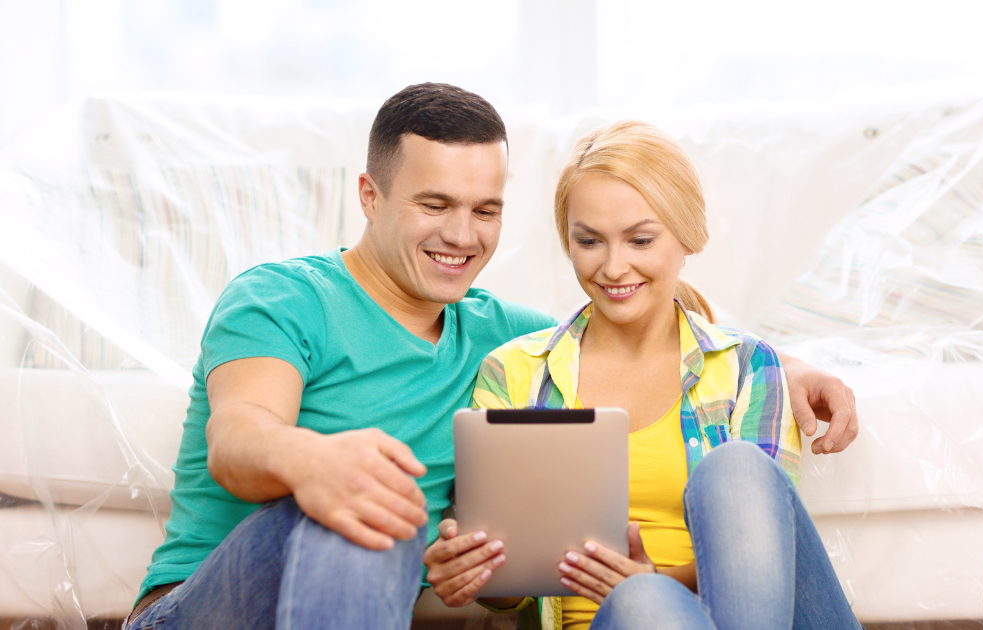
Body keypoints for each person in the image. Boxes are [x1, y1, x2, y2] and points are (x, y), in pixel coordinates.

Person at [123, 84, 858, 630]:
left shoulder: (497, 336)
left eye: (486, 209)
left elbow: (636, 317)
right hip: (204, 608)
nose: (462, 234)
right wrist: (319, 464)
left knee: (393, 519)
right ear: (370, 197)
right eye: (434, 204)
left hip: (362, 590)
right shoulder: (283, 297)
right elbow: (239, 437)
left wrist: (786, 368)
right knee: (377, 511)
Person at [423, 120, 860, 630]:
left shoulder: (749, 368)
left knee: (733, 472)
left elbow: (765, 562)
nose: (613, 267)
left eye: (640, 240)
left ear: (687, 236)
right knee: (641, 607)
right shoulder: (513, 371)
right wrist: (473, 574)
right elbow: (507, 596)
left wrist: (654, 578)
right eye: (589, 241)